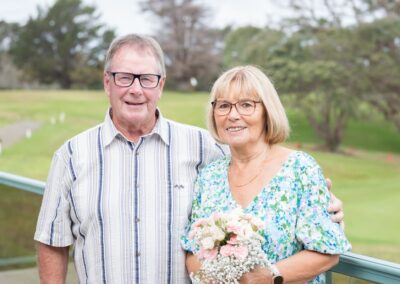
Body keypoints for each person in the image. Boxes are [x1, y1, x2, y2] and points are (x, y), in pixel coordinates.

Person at [34, 34, 344, 283]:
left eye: (147, 78)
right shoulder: (72, 156)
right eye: (124, 77)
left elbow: (267, 173)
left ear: (161, 84)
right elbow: (52, 241)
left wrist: (327, 204)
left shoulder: (204, 148)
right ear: (107, 82)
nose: (135, 89)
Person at [182, 65, 351, 283]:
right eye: (223, 106)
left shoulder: (299, 169)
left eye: (246, 105)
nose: (233, 115)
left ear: (267, 111)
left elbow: (327, 252)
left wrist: (267, 278)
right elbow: (193, 250)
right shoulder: (209, 176)